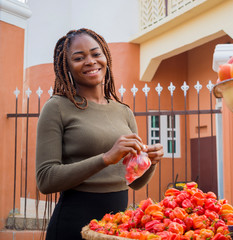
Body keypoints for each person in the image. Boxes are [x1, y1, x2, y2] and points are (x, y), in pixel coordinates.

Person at [35, 28, 163, 240]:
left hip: (116, 228)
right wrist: (105, 159)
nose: (90, 61)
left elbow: (133, 182)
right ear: (67, 66)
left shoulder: (123, 111)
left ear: (106, 57)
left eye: (96, 54)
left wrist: (151, 161)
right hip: (73, 225)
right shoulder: (57, 107)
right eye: (79, 57)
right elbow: (45, 180)